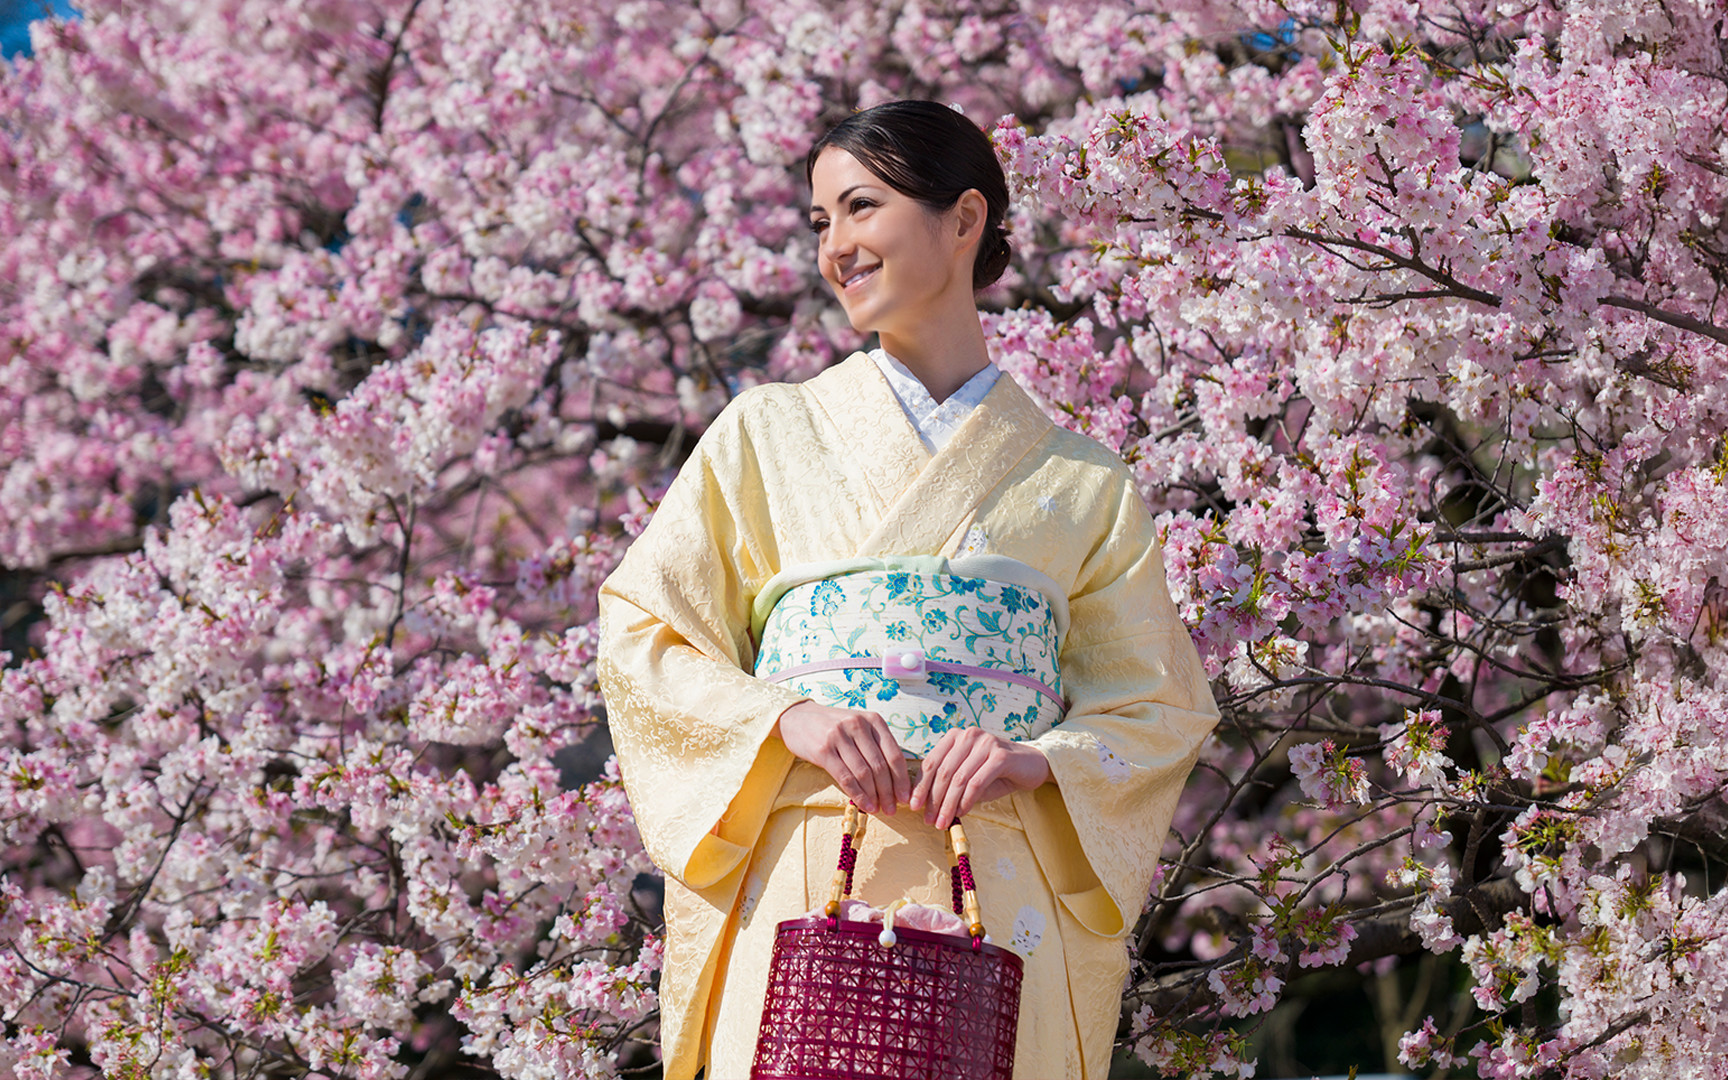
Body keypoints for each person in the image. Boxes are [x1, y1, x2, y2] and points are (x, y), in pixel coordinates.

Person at [596, 100, 1220, 1079]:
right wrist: (787, 718)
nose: (836, 245)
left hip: (995, 875)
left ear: (964, 220)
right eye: (819, 223)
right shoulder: (764, 435)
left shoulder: (1083, 483)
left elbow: (1157, 702)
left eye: (860, 208)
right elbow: (646, 635)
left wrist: (1037, 759)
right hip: (808, 861)